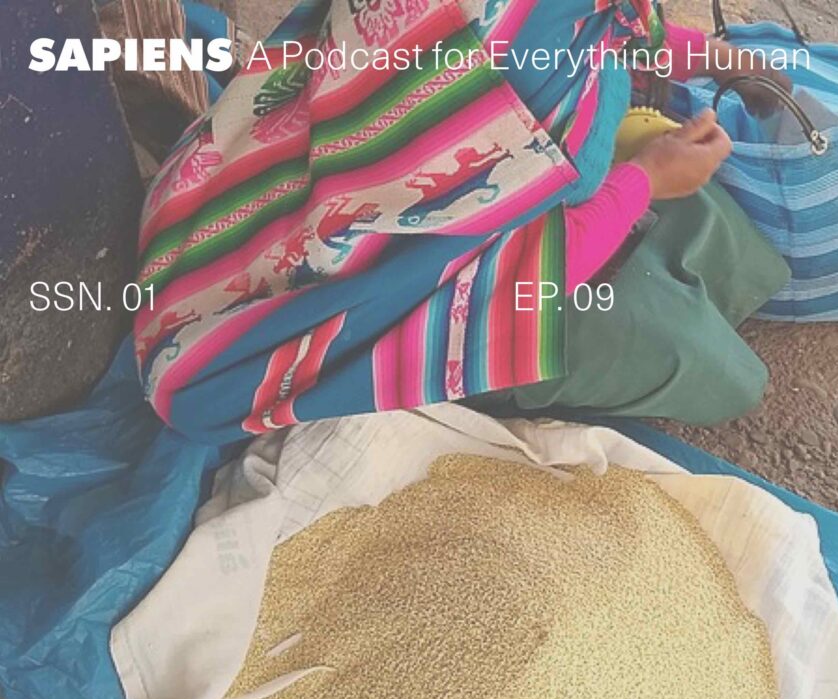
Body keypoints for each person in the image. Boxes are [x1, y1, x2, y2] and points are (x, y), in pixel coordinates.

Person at [136, 1, 791, 443]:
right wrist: (644, 180)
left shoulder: (535, 35)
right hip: (290, 316)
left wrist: (711, 57)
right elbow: (522, 283)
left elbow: (609, 26)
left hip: (220, 204)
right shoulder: (539, 92)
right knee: (715, 369)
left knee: (704, 220)